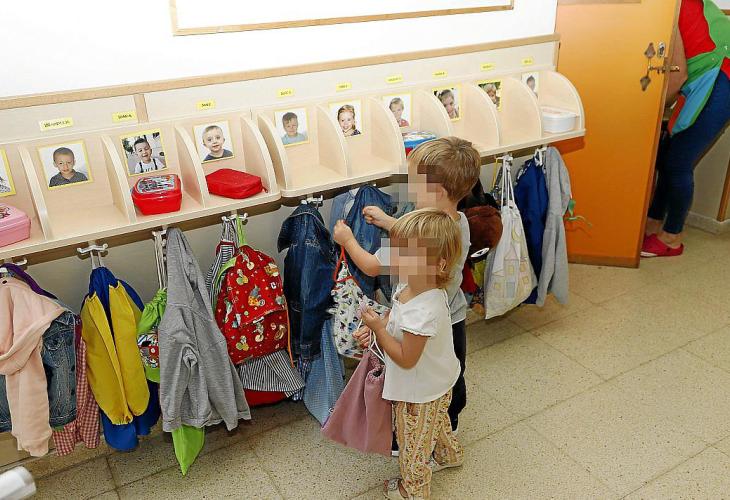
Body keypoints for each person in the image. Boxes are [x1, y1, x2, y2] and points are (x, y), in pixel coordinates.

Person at [333, 137, 480, 437]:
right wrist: (390, 222)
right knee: (450, 371)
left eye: (415, 183)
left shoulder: (421, 242)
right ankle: (448, 423)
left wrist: (347, 240)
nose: (410, 189)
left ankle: (427, 431)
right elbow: (422, 232)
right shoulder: (458, 224)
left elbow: (372, 265)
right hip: (452, 319)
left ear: (437, 192)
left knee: (420, 377)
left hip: (417, 319)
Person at [356, 208, 463, 500]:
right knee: (437, 423)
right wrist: (380, 326)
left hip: (418, 394)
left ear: (439, 263)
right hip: (439, 380)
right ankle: (448, 455)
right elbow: (397, 315)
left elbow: (405, 358)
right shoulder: (414, 285)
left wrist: (379, 329)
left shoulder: (423, 312)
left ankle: (413, 489)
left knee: (413, 443)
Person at [643, 0, 729, 257]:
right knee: (668, 154)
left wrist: (649, 113)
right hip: (708, 74)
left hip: (721, 74)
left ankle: (672, 237)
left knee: (678, 161)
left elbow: (677, 75)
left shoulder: (666, 5)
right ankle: (654, 222)